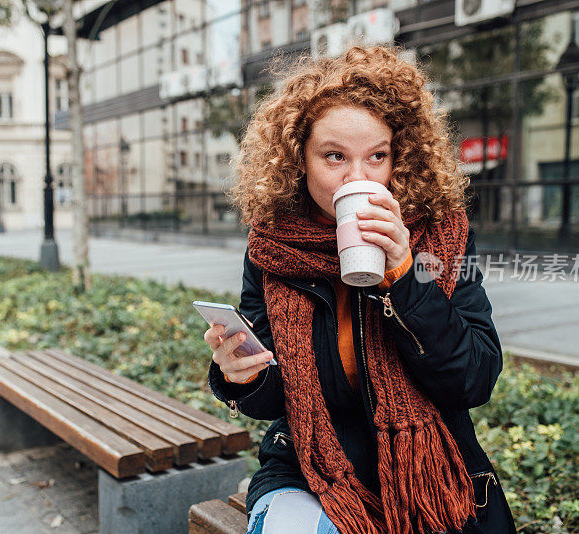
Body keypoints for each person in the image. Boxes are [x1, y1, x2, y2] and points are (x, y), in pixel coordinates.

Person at [203, 45, 517, 534]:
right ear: (297, 161)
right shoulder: (270, 248)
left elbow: (475, 379)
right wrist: (242, 374)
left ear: (400, 157)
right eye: (334, 156)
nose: (360, 177)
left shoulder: (443, 238)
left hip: (429, 477)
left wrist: (407, 274)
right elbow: (273, 403)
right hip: (310, 470)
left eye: (377, 156)